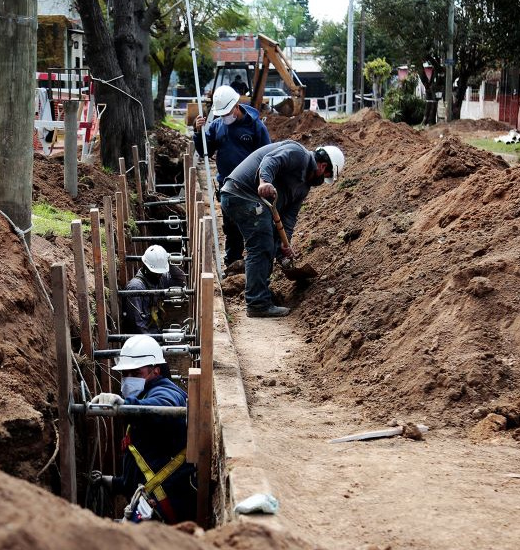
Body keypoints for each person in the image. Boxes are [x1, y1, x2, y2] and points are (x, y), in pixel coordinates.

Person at [219, 141, 345, 318]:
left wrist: (284, 247)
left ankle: (260, 292)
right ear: (323, 166)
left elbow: (288, 219)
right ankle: (257, 303)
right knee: (262, 246)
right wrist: (264, 182)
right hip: (241, 193)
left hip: (250, 201)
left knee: (268, 243)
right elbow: (270, 161)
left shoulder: (303, 187)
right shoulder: (298, 153)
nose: (323, 181)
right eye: (326, 176)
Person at [90, 335, 195, 524]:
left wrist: (126, 405)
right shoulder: (147, 392)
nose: (128, 380)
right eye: (125, 374)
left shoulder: (165, 392)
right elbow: (147, 459)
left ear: (155, 371)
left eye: (135, 373)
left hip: (164, 505)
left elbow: (163, 407)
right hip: (151, 499)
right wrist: (114, 482)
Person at [193, 86, 271, 267]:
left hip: (250, 186)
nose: (224, 117)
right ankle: (233, 261)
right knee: (231, 226)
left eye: (226, 112)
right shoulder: (217, 126)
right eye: (221, 114)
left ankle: (255, 262)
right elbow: (205, 151)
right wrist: (198, 133)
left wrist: (264, 181)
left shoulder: (255, 126)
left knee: (253, 225)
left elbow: (268, 155)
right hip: (227, 185)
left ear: (236, 106)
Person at [122, 245, 186, 335]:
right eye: (155, 272)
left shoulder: (160, 278)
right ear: (145, 266)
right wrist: (154, 341)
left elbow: (181, 281)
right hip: (142, 340)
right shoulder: (135, 287)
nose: (158, 275)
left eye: (160, 272)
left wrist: (168, 261)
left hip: (154, 332)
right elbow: (137, 326)